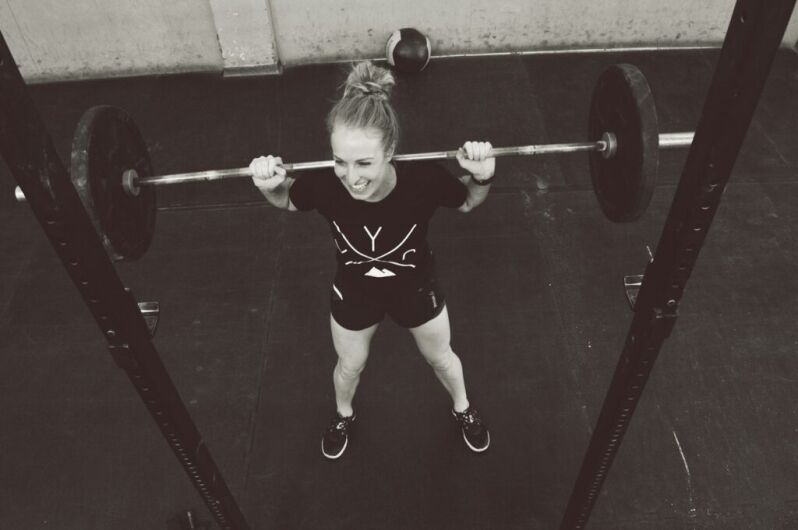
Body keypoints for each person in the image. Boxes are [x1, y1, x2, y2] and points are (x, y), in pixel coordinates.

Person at [250, 61, 495, 459]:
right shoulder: (324, 185)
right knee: (350, 366)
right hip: (355, 290)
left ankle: (463, 407)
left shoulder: (424, 181)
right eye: (340, 161)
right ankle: (343, 414)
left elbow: (467, 199)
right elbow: (285, 199)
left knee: (441, 358)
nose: (351, 177)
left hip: (415, 287)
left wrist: (482, 175)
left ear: (391, 151)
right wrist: (267, 183)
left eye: (364, 162)